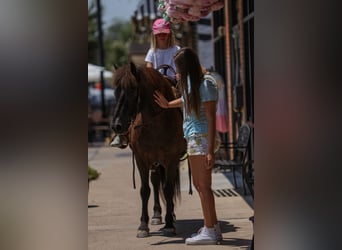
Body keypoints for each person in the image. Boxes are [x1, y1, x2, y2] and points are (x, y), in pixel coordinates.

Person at [154, 47, 222, 245]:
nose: (178, 73)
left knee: (204, 187)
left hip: (201, 137)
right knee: (199, 185)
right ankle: (213, 226)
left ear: (188, 67)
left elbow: (210, 118)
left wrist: (210, 150)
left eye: (180, 69)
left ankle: (209, 231)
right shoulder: (195, 82)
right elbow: (186, 100)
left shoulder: (207, 83)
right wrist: (167, 105)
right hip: (194, 137)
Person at [111, 18, 181, 149]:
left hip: (173, 84)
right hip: (155, 86)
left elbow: (180, 66)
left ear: (169, 34)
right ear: (154, 35)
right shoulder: (152, 51)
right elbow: (149, 69)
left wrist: (179, 74)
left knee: (183, 101)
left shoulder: (177, 49)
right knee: (135, 101)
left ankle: (189, 132)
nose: (162, 36)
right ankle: (123, 134)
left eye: (164, 33)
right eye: (159, 34)